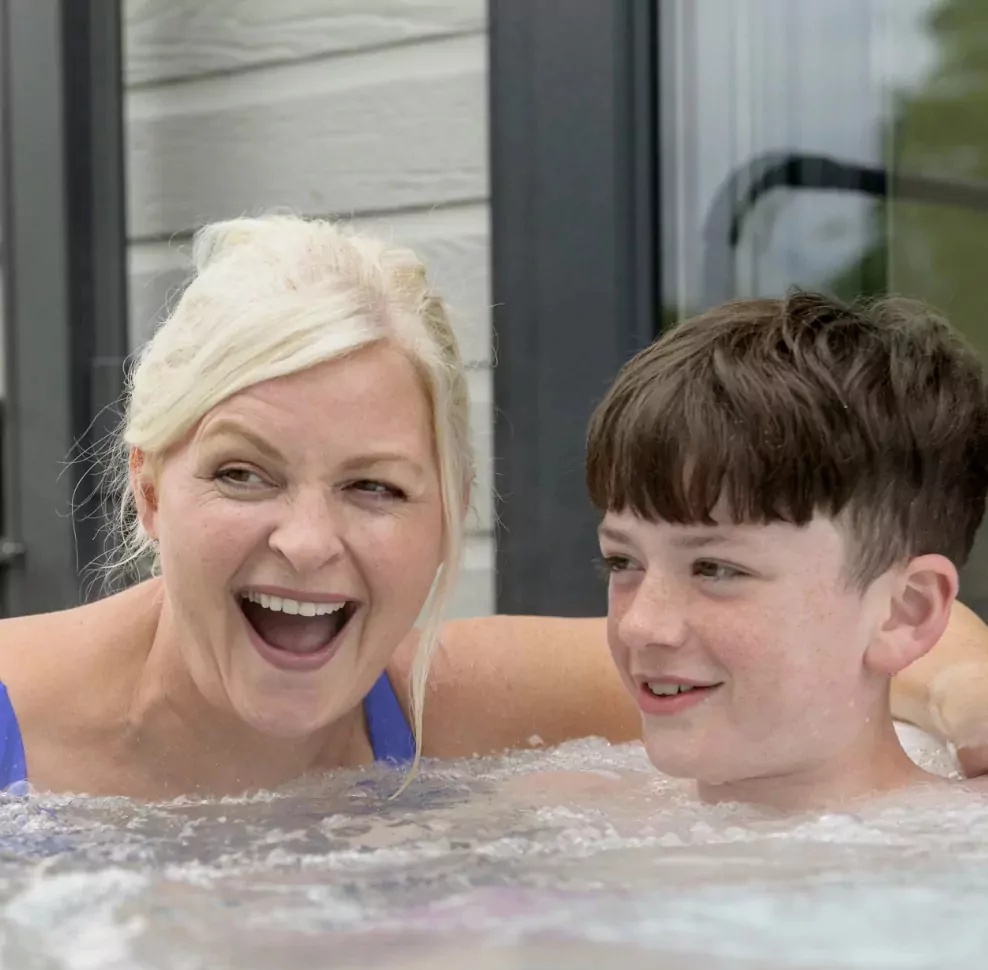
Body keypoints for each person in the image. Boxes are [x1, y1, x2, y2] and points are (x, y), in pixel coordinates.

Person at [0, 217, 987, 800]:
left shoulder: (443, 703)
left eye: (373, 487)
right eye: (242, 474)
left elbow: (868, 646)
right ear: (148, 486)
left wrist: (966, 697)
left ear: (449, 517)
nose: (305, 542)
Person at [587, 290, 988, 811]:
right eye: (624, 561)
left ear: (902, 612)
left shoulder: (958, 861)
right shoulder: (561, 811)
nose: (639, 625)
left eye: (715, 568)